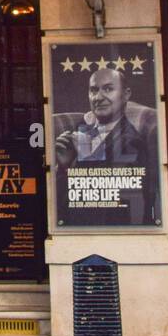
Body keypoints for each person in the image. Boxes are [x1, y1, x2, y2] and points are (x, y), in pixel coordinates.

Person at [54, 67, 157, 225]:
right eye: (93, 90)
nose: (98, 97)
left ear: (126, 94)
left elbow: (116, 204)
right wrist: (61, 168)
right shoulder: (80, 128)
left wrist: (86, 157)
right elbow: (59, 202)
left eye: (108, 89)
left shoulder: (131, 142)